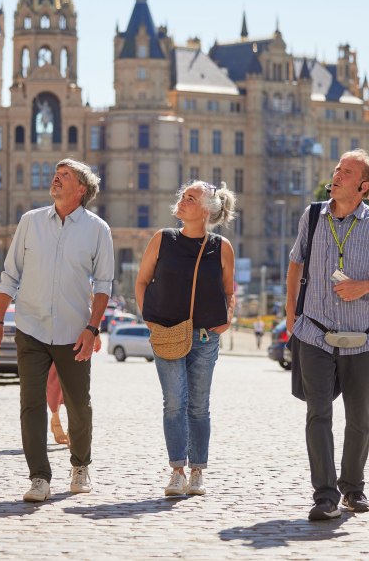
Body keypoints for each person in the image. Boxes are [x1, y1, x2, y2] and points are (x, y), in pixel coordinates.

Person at [285, 149, 369, 521]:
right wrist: (292, 316)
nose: (337, 174)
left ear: (364, 186)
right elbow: (295, 262)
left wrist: (365, 286)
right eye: (337, 168)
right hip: (315, 333)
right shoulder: (313, 215)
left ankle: (353, 488)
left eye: (346, 171)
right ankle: (324, 496)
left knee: (359, 418)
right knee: (317, 413)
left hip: (360, 337)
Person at [0, 159, 114, 503]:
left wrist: (92, 328)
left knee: (78, 405)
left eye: (65, 176)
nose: (56, 179)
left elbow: (104, 285)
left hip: (75, 332)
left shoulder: (98, 229)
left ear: (81, 190)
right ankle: (39, 477)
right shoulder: (30, 222)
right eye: (56, 175)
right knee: (30, 404)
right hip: (30, 327)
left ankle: (80, 465)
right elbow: (10, 274)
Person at [136, 180, 236, 498]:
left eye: (190, 198)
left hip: (206, 339)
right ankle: (177, 471)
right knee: (174, 404)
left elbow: (229, 290)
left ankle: (197, 472)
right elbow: (141, 281)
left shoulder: (221, 247)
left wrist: (227, 320)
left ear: (206, 210)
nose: (182, 201)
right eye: (182, 195)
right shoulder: (162, 239)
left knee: (199, 407)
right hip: (166, 334)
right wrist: (150, 321)